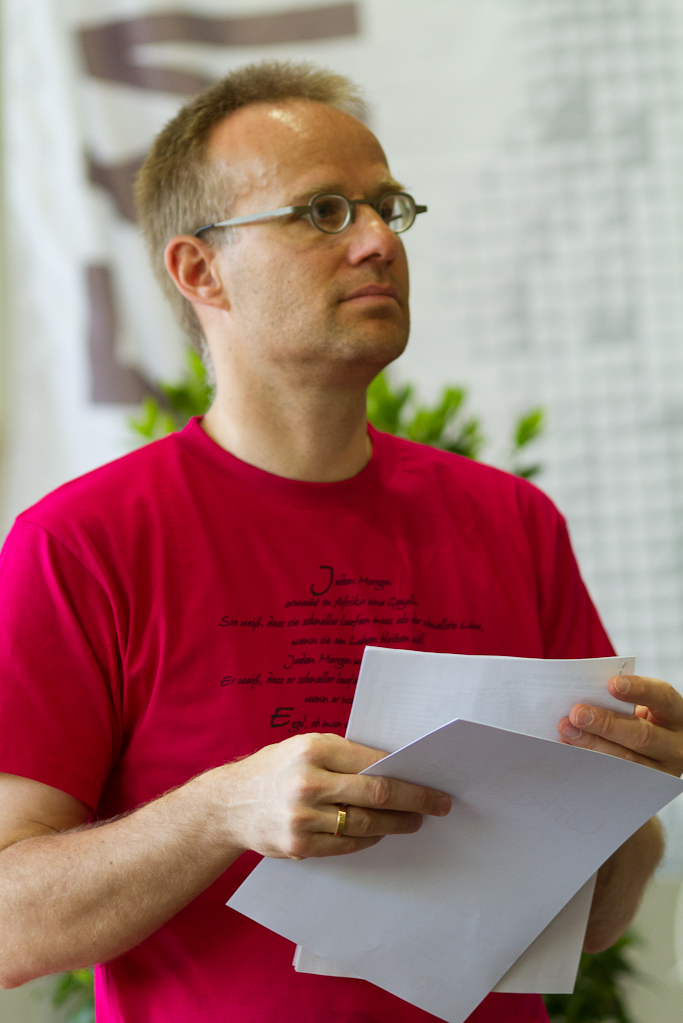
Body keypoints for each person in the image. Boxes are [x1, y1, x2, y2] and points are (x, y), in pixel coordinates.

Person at [0, 60, 681, 1023]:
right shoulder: (80, 543)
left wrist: (627, 799)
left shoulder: (510, 521)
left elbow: (598, 920)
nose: (376, 242)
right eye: (322, 212)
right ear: (199, 271)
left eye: (386, 208)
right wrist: (220, 811)